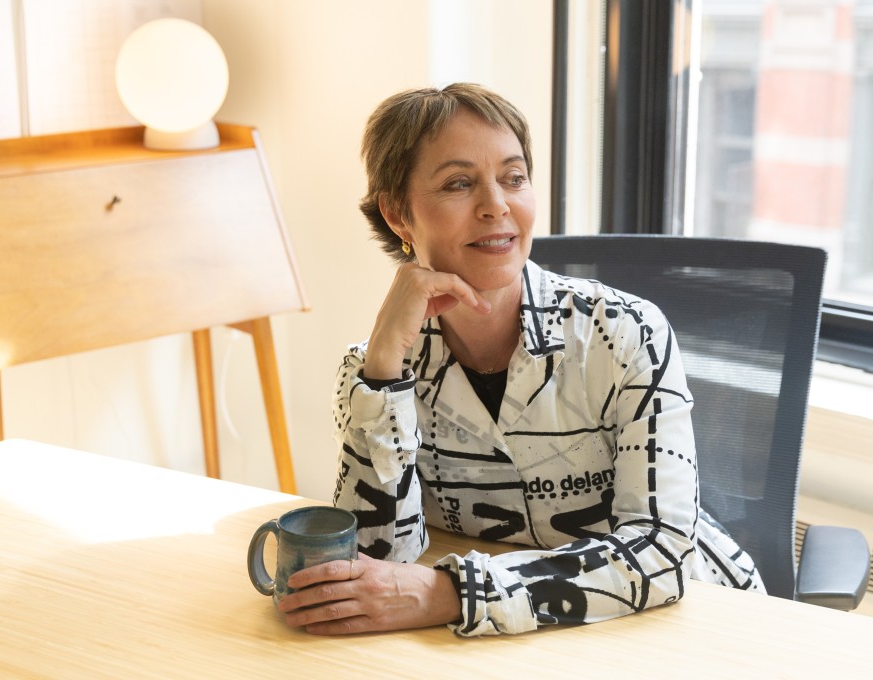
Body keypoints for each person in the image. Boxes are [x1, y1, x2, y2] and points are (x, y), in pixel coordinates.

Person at [277, 83, 764, 637]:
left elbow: (662, 552)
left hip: (691, 623)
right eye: (458, 183)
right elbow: (377, 562)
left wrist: (452, 593)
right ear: (398, 216)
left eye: (513, 178)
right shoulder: (373, 372)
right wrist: (385, 367)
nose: (496, 206)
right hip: (525, 642)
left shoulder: (626, 334)